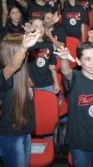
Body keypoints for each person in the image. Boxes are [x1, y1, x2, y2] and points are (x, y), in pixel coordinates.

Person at [55, 43, 93, 167]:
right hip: (79, 141)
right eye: (87, 59)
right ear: (78, 61)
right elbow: (66, 72)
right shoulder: (75, 78)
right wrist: (65, 59)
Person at [0, 31, 41, 167]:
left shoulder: (23, 76)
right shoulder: (3, 76)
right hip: (10, 136)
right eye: (24, 51)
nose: (27, 54)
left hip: (25, 131)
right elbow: (13, 66)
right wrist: (23, 47)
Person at [27, 19, 60, 93]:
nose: (40, 28)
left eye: (42, 26)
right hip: (32, 85)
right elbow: (24, 66)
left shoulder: (49, 45)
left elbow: (52, 66)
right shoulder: (28, 46)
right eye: (36, 26)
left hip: (48, 84)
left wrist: (56, 83)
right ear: (31, 28)